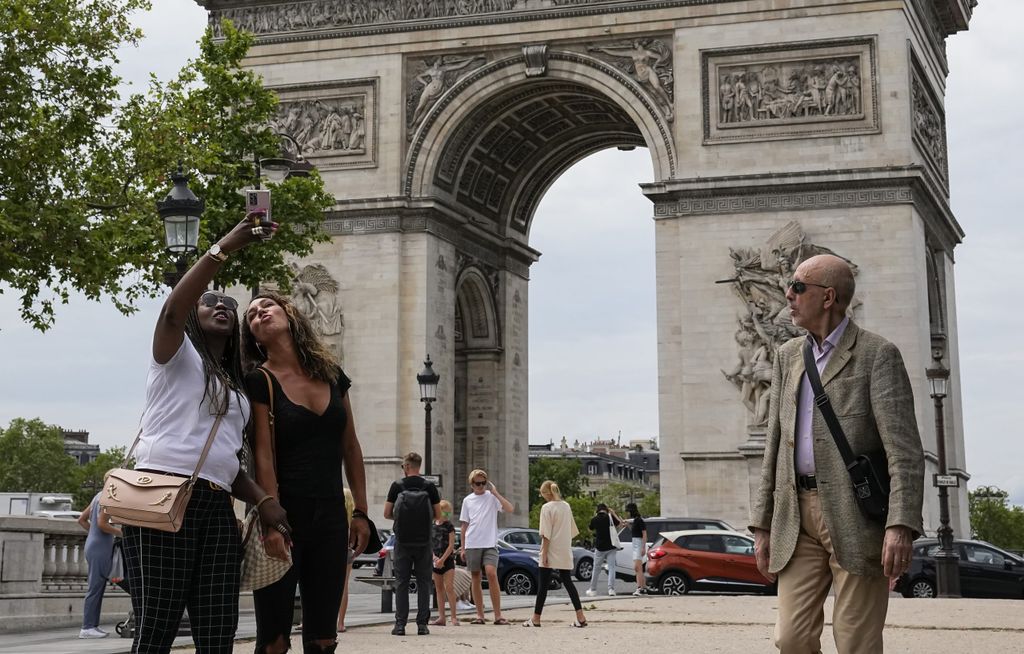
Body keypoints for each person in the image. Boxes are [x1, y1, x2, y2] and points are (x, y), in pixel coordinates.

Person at [122, 211, 289, 654]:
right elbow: (172, 309)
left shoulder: (235, 388)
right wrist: (222, 248)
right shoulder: (173, 357)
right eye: (211, 301)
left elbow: (225, 462)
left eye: (230, 306)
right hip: (162, 495)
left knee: (219, 631)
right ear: (194, 315)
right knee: (157, 626)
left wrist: (264, 501)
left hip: (217, 506)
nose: (223, 306)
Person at [749, 253, 924, 653]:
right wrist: (760, 524)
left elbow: (904, 452)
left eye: (797, 287)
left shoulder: (877, 355)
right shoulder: (787, 356)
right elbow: (773, 444)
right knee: (790, 638)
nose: (787, 295)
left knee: (855, 642)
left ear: (828, 297)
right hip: (795, 515)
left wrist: (901, 524)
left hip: (857, 515)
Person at [242, 291, 371, 654]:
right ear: (252, 336)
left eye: (267, 305)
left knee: (323, 638)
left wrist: (360, 511)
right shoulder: (258, 380)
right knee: (274, 641)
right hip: (285, 513)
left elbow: (351, 446)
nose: (259, 312)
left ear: (289, 312)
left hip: (331, 514)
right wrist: (271, 522)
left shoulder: (332, 374)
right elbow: (262, 457)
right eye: (251, 314)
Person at [383, 452, 441, 636]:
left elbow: (386, 513)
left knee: (402, 582)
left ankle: (400, 625)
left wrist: (400, 519)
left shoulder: (397, 486)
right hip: (424, 542)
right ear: (419, 466)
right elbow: (440, 515)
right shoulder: (430, 487)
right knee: (424, 583)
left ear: (407, 466)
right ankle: (422, 625)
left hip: (402, 542)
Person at [522, 481, 587, 628]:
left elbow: (546, 534)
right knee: (568, 583)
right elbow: (571, 530)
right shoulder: (566, 506)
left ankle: (536, 618)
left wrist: (544, 553)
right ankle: (580, 616)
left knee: (543, 586)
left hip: (551, 550)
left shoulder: (546, 508)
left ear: (546, 493)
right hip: (564, 549)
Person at [459, 468, 514, 625]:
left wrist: (495, 493)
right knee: (475, 577)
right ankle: (480, 615)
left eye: (483, 483)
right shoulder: (467, 501)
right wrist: (462, 547)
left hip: (490, 542)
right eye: (477, 483)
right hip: (473, 542)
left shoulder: (491, 497)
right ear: (472, 484)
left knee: (491, 573)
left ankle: (498, 615)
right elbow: (464, 526)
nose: (481, 486)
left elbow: (510, 509)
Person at [77, 477, 123, 639]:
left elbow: (81, 519)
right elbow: (102, 523)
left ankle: (91, 626)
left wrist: (93, 533)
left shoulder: (98, 495)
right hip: (101, 548)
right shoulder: (108, 497)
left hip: (93, 544)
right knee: (95, 587)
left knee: (96, 586)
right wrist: (121, 533)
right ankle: (88, 627)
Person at [430, 500, 459, 627]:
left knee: (449, 588)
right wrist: (434, 558)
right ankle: (442, 617)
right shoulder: (431, 526)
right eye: (444, 513)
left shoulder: (449, 526)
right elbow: (428, 544)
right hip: (435, 561)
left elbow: (451, 545)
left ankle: (453, 616)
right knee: (439, 589)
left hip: (447, 561)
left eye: (448, 514)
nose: (446, 517)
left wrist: (442, 559)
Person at [585, 503, 623, 597]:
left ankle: (593, 590)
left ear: (597, 510)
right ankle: (611, 590)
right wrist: (613, 513)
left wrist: (595, 516)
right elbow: (620, 524)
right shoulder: (610, 517)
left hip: (600, 548)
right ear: (606, 510)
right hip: (611, 547)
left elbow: (590, 529)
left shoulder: (595, 519)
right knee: (612, 568)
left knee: (596, 569)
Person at [336, 488, 355, 633]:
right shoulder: (347, 494)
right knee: (344, 586)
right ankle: (340, 623)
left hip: (328, 545)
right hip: (346, 548)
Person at [625, 502, 648, 596]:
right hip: (635, 543)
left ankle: (639, 588)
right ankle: (643, 587)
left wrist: (643, 547)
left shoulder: (639, 520)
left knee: (637, 567)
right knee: (639, 568)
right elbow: (635, 532)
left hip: (638, 544)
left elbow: (644, 534)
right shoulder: (636, 521)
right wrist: (628, 526)